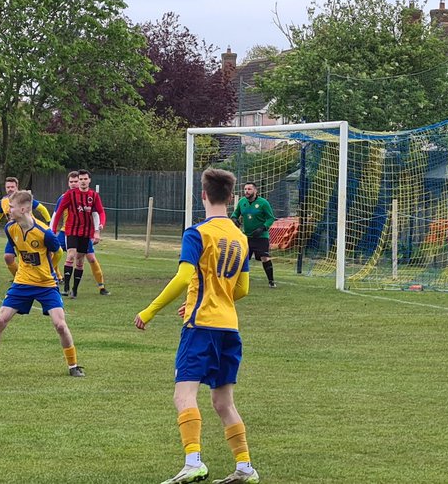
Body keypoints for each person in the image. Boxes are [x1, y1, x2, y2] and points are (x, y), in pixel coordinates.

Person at [134, 168, 259, 484]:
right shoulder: (241, 237)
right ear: (231, 197)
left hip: (201, 326)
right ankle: (245, 467)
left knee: (184, 394)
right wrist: (212, 296)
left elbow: (183, 277)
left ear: (203, 194)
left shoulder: (197, 233)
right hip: (229, 328)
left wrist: (149, 311)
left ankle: (193, 462)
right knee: (223, 402)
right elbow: (242, 289)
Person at [0, 190, 83, 378]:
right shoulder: (10, 228)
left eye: (11, 207)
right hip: (22, 282)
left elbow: (59, 254)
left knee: (60, 325)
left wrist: (50, 270)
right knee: (1, 319)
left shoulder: (44, 233)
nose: (9, 210)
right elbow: (15, 250)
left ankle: (73, 366)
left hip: (46, 284)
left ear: (23, 209)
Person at [50, 169, 107, 298]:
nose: (82, 181)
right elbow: (58, 212)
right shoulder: (69, 195)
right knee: (70, 255)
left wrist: (99, 228)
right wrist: (53, 230)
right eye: (80, 179)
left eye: (84, 179)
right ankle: (65, 287)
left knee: (81, 260)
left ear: (89, 180)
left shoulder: (94, 196)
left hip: (86, 232)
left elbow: (100, 212)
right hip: (71, 230)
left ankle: (75, 289)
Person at [0, 176, 51, 278]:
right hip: (15, 233)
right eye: (8, 187)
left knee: (40, 257)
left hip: (30, 232)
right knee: (8, 257)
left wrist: (49, 222)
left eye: (12, 187)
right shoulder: (3, 201)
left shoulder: (23, 199)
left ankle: (56, 276)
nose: (10, 189)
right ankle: (19, 278)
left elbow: (42, 208)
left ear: (17, 187)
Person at [232, 182, 277, 288]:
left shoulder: (263, 203)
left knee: (264, 257)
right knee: (242, 258)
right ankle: (237, 281)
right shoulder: (242, 202)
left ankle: (271, 281)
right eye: (245, 189)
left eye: (249, 189)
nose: (246, 191)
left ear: (255, 191)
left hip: (261, 237)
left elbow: (271, 218)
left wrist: (263, 228)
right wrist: (234, 219)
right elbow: (235, 214)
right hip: (246, 236)